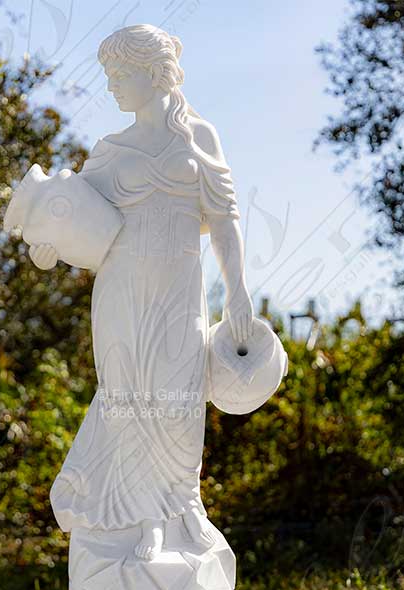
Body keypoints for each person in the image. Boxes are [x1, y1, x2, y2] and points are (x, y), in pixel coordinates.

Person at [30, 24, 254, 561]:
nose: (112, 87)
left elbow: (224, 220)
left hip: (180, 288)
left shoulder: (199, 138)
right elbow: (78, 219)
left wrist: (239, 292)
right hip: (122, 290)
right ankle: (142, 518)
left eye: (120, 74)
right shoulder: (110, 151)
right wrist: (46, 243)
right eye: (109, 76)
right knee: (128, 398)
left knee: (178, 399)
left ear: (154, 73)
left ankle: (183, 505)